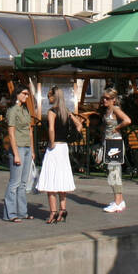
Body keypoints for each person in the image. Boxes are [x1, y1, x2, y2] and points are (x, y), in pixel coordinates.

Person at [37, 87, 83, 223]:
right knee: (62, 177)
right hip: (64, 147)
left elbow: (51, 128)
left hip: (55, 147)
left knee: (51, 179)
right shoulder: (66, 112)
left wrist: (51, 143)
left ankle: (53, 212)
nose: (48, 98)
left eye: (49, 96)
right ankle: (63, 209)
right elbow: (79, 124)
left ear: (53, 97)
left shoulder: (52, 112)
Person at [3, 86, 36, 222]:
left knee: (23, 183)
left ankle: (22, 212)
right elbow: (11, 133)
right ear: (17, 94)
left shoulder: (25, 109)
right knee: (15, 182)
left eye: (27, 94)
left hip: (27, 147)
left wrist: (32, 149)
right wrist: (15, 153)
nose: (26, 96)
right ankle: (10, 213)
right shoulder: (12, 111)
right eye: (24, 93)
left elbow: (29, 130)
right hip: (18, 147)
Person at [100, 87, 132, 213]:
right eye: (103, 97)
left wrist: (117, 128)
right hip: (109, 142)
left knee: (114, 172)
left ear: (113, 100)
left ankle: (118, 202)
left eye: (107, 98)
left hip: (115, 142)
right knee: (112, 170)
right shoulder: (108, 110)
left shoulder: (115, 109)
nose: (104, 100)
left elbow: (127, 120)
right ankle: (119, 200)